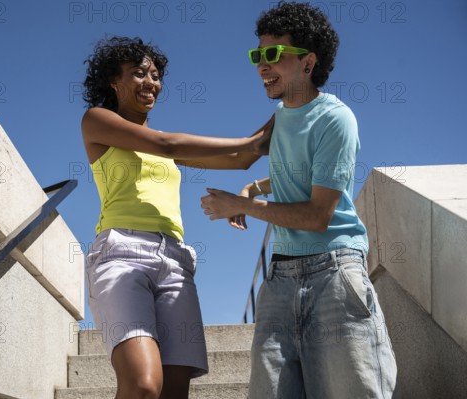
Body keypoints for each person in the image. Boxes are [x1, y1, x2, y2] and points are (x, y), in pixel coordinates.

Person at [200, 2, 399, 398]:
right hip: (279, 283)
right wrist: (251, 189)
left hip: (335, 274)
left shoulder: (336, 118)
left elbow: (317, 213)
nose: (261, 65)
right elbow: (288, 171)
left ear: (308, 62)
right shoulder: (280, 116)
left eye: (273, 55)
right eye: (257, 55)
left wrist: (241, 207)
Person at [81, 36, 271, 399]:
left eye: (155, 74)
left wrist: (290, 108)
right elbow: (168, 145)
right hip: (122, 255)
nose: (150, 82)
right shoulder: (97, 121)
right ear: (113, 81)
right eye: (138, 74)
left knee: (173, 392)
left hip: (176, 263)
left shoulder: (163, 144)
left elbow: (241, 160)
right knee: (143, 386)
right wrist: (251, 141)